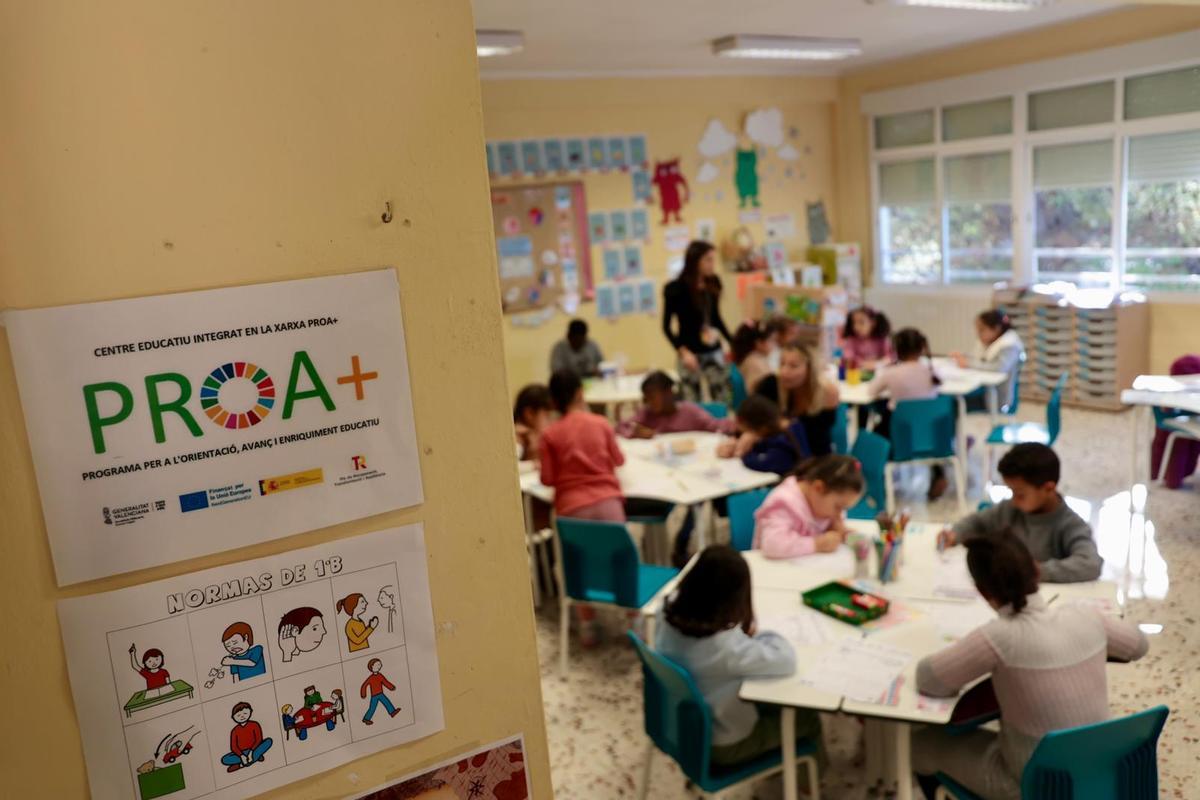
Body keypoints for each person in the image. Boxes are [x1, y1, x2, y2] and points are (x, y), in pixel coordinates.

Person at [912, 534, 1148, 800]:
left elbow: (929, 679)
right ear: (1036, 570)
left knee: (920, 742)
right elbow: (1139, 645)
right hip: (1100, 771)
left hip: (1032, 787)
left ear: (982, 591)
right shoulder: (1085, 615)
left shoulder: (998, 637)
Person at [656, 546, 822, 768]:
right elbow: (786, 660)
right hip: (722, 744)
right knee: (807, 718)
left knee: (767, 699)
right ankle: (807, 781)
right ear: (731, 600)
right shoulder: (726, 649)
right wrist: (760, 633)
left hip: (676, 726)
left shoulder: (665, 612)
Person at [540, 368, 683, 588]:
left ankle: (584, 606)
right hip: (608, 503)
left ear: (553, 400)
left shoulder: (550, 434)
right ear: (580, 393)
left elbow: (547, 479)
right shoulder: (600, 423)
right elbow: (618, 460)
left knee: (579, 567)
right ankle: (626, 604)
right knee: (618, 563)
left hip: (571, 509)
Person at [936, 443, 1102, 583]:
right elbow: (977, 522)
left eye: (1020, 494)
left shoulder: (1070, 524)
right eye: (1011, 491)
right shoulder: (1011, 509)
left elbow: (1090, 564)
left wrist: (1035, 571)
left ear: (1048, 488)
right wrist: (954, 534)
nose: (1014, 500)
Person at [867, 327, 949, 500]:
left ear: (896, 349)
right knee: (923, 417)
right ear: (921, 348)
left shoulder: (891, 373)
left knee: (879, 425)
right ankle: (938, 473)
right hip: (933, 437)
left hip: (900, 436)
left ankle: (878, 478)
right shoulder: (932, 372)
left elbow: (871, 391)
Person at [662, 240, 733, 404]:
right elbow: (666, 327)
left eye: (713, 260)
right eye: (708, 260)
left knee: (723, 398)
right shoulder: (675, 288)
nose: (712, 264)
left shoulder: (713, 283)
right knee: (691, 402)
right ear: (695, 261)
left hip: (713, 350)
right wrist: (683, 352)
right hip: (689, 352)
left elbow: (716, 318)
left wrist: (732, 342)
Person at [753, 455, 864, 559]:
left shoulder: (821, 503)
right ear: (818, 488)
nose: (840, 514)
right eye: (838, 506)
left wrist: (840, 531)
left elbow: (827, 527)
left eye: (844, 508)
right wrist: (816, 544)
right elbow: (773, 545)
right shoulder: (784, 503)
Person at [754, 342, 840, 456]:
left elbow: (819, 439)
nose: (784, 371)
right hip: (775, 452)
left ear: (810, 369)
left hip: (813, 456)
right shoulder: (770, 384)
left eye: (793, 366)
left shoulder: (827, 392)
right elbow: (752, 419)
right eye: (782, 364)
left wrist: (785, 425)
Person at [616, 371, 735, 438]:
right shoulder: (647, 413)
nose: (648, 403)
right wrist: (634, 432)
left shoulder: (690, 412)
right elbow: (620, 427)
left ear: (668, 393)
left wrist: (738, 426)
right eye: (646, 398)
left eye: (652, 397)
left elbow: (717, 425)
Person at [951, 309, 1025, 413]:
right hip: (985, 392)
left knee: (952, 405)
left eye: (982, 330)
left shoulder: (1010, 345)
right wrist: (963, 356)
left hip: (998, 399)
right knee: (951, 400)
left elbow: (999, 367)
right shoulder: (990, 342)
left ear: (996, 329)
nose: (978, 334)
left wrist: (968, 363)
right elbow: (979, 358)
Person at [717, 395, 810, 475]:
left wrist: (745, 453)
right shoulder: (783, 425)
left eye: (749, 432)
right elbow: (763, 446)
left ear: (762, 428)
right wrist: (737, 445)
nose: (747, 436)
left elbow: (762, 464)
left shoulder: (784, 441)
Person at [221, 702, 273, 772]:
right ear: (233, 717)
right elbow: (234, 747)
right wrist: (241, 756)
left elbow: (259, 739)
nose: (242, 716)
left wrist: (251, 752)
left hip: (254, 749)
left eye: (245, 713)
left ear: (250, 712)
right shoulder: (234, 731)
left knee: (269, 741)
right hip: (242, 752)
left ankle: (241, 765)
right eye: (238, 715)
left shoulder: (255, 724)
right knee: (224, 759)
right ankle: (256, 756)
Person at [841, 306, 893, 370]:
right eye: (854, 322)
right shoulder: (851, 340)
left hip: (880, 373)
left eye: (861, 322)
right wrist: (864, 364)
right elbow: (848, 359)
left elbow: (890, 357)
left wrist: (877, 364)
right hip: (858, 373)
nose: (856, 327)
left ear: (873, 323)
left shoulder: (882, 339)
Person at [513, 384, 554, 462]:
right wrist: (534, 464)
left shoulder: (534, 437)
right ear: (530, 414)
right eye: (547, 416)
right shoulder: (518, 437)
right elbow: (510, 465)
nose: (552, 422)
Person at [730, 321, 773, 395]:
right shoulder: (755, 364)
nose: (773, 345)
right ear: (758, 343)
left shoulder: (750, 359)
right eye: (771, 340)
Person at [360, 658, 401, 725]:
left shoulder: (380, 675)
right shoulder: (371, 678)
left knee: (386, 702)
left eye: (380, 664)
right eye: (378, 664)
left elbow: (385, 682)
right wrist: (363, 694)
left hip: (380, 693)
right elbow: (364, 685)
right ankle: (366, 718)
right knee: (372, 708)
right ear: (372, 666)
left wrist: (391, 687)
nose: (380, 666)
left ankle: (392, 712)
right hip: (374, 696)